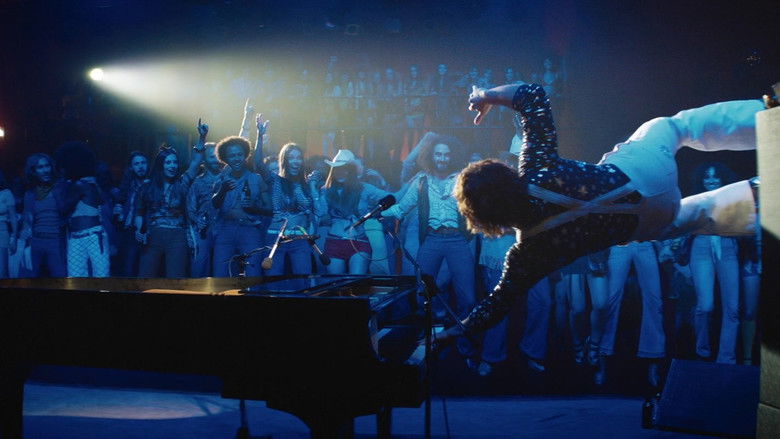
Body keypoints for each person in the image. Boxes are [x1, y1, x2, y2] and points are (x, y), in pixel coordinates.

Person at [435, 81, 763, 344]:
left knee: (697, 214)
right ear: (502, 174)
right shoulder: (537, 168)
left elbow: (495, 306)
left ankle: (757, 197)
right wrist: (486, 95)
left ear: (485, 218)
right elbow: (531, 94)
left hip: (652, 222)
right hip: (646, 174)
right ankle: (767, 116)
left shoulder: (526, 254)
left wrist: (446, 335)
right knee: (675, 126)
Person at [134, 120, 207, 278]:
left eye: (175, 162)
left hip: (177, 236)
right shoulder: (148, 186)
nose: (172, 166)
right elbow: (139, 212)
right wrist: (139, 230)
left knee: (176, 278)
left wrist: (202, 138)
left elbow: (196, 162)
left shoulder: (182, 183)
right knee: (145, 277)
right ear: (161, 165)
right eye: (168, 162)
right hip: (153, 236)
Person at [253, 115, 319, 276]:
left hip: (300, 239)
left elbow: (318, 211)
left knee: (302, 279)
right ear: (284, 160)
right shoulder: (275, 180)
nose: (296, 161)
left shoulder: (307, 184)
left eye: (299, 158)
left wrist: (313, 186)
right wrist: (260, 136)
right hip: (275, 237)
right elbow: (258, 164)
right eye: (291, 158)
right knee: (274, 281)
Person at [317, 149, 391, 275]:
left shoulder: (364, 188)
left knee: (356, 281)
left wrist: (382, 182)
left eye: (345, 169)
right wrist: (313, 189)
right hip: (334, 241)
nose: (340, 172)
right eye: (337, 169)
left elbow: (391, 198)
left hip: (359, 242)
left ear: (351, 171)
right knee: (336, 283)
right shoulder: (326, 190)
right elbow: (320, 214)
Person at [211, 136, 269, 277]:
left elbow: (270, 209)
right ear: (225, 158)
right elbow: (214, 204)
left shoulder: (256, 178)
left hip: (250, 230)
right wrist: (222, 190)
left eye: (239, 154)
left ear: (245, 155)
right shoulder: (220, 180)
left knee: (253, 274)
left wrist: (254, 208)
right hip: (225, 230)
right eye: (231, 156)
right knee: (221, 275)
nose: (236, 159)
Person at [56, 142, 110, 277]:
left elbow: (63, 207)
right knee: (95, 277)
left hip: (92, 236)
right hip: (81, 236)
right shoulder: (87, 183)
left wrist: (60, 185)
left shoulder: (80, 185)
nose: (61, 171)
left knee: (94, 277)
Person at [20, 153, 68, 277]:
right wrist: (24, 232)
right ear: (33, 171)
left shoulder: (60, 188)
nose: (45, 170)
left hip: (56, 242)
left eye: (47, 166)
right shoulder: (30, 194)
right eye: (40, 167)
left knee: (61, 280)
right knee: (29, 281)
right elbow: (27, 220)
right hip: (36, 242)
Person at [187, 142, 222, 277]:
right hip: (204, 231)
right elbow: (190, 209)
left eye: (217, 156)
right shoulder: (197, 182)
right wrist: (197, 220)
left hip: (224, 229)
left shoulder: (227, 178)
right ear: (204, 160)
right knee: (200, 267)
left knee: (223, 268)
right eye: (212, 157)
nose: (216, 160)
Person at [114, 151, 149, 276]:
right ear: (131, 167)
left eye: (143, 163)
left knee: (146, 271)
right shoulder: (127, 186)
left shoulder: (152, 185)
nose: (140, 166)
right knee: (128, 270)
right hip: (128, 232)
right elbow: (120, 210)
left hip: (147, 232)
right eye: (136, 164)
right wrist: (119, 212)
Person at [0, 171, 18, 278]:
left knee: (2, 272)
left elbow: (13, 217)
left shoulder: (6, 193)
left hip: (1, 232)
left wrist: (14, 238)